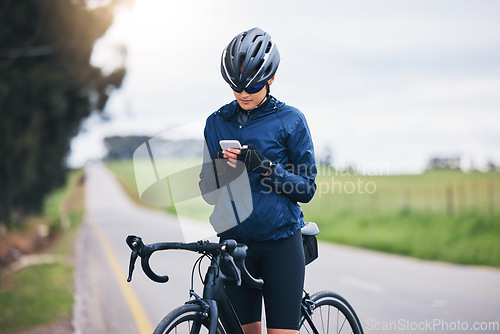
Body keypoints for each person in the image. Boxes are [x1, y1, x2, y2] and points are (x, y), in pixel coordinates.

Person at [199, 27, 317, 334]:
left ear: (271, 79)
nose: (243, 94)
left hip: (280, 245)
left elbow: (306, 189)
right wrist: (222, 173)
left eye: (252, 85)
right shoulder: (216, 123)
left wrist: (264, 167)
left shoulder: (291, 120)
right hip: (234, 245)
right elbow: (208, 192)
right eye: (236, 86)